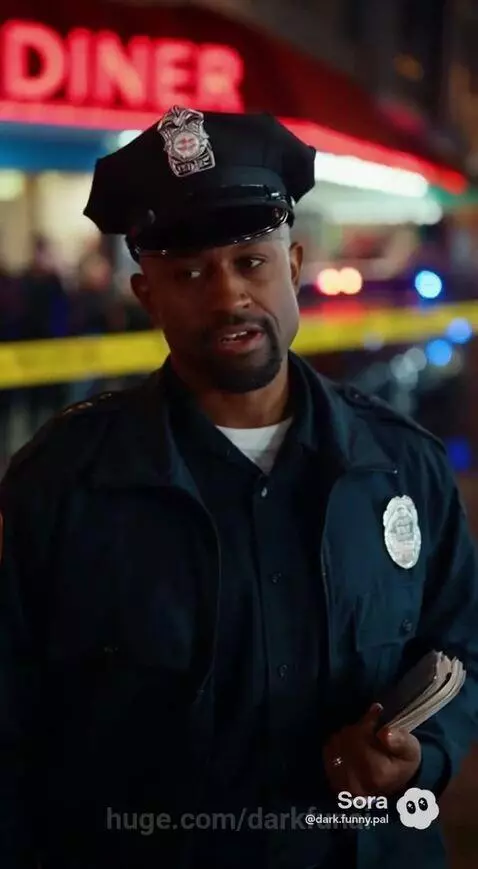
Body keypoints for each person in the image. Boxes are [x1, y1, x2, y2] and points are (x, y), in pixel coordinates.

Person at [0, 106, 477, 869]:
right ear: (145, 294)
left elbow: (464, 648)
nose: (227, 298)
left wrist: (419, 757)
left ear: (291, 264)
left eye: (250, 262)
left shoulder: (404, 467)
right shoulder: (60, 484)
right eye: (189, 274)